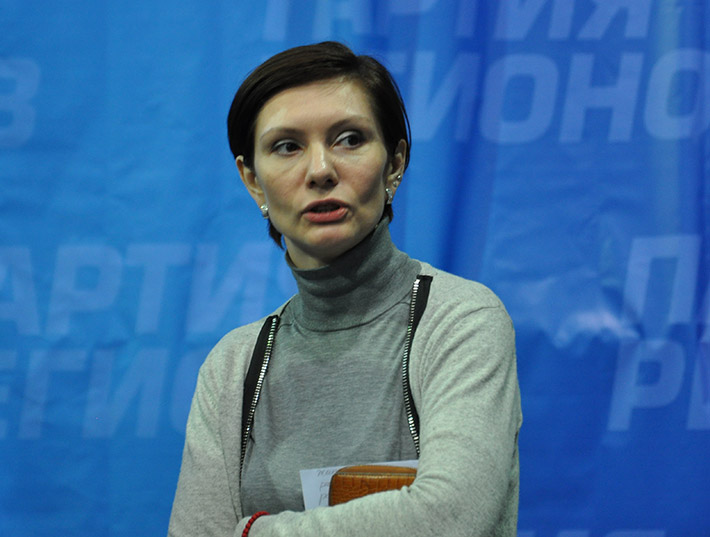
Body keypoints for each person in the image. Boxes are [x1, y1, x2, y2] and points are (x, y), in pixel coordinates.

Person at [168, 41, 522, 537]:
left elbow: (451, 516)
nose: (320, 171)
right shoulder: (232, 366)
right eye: (287, 146)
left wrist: (253, 532)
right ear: (252, 180)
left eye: (349, 139)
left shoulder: (460, 320)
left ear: (395, 162)